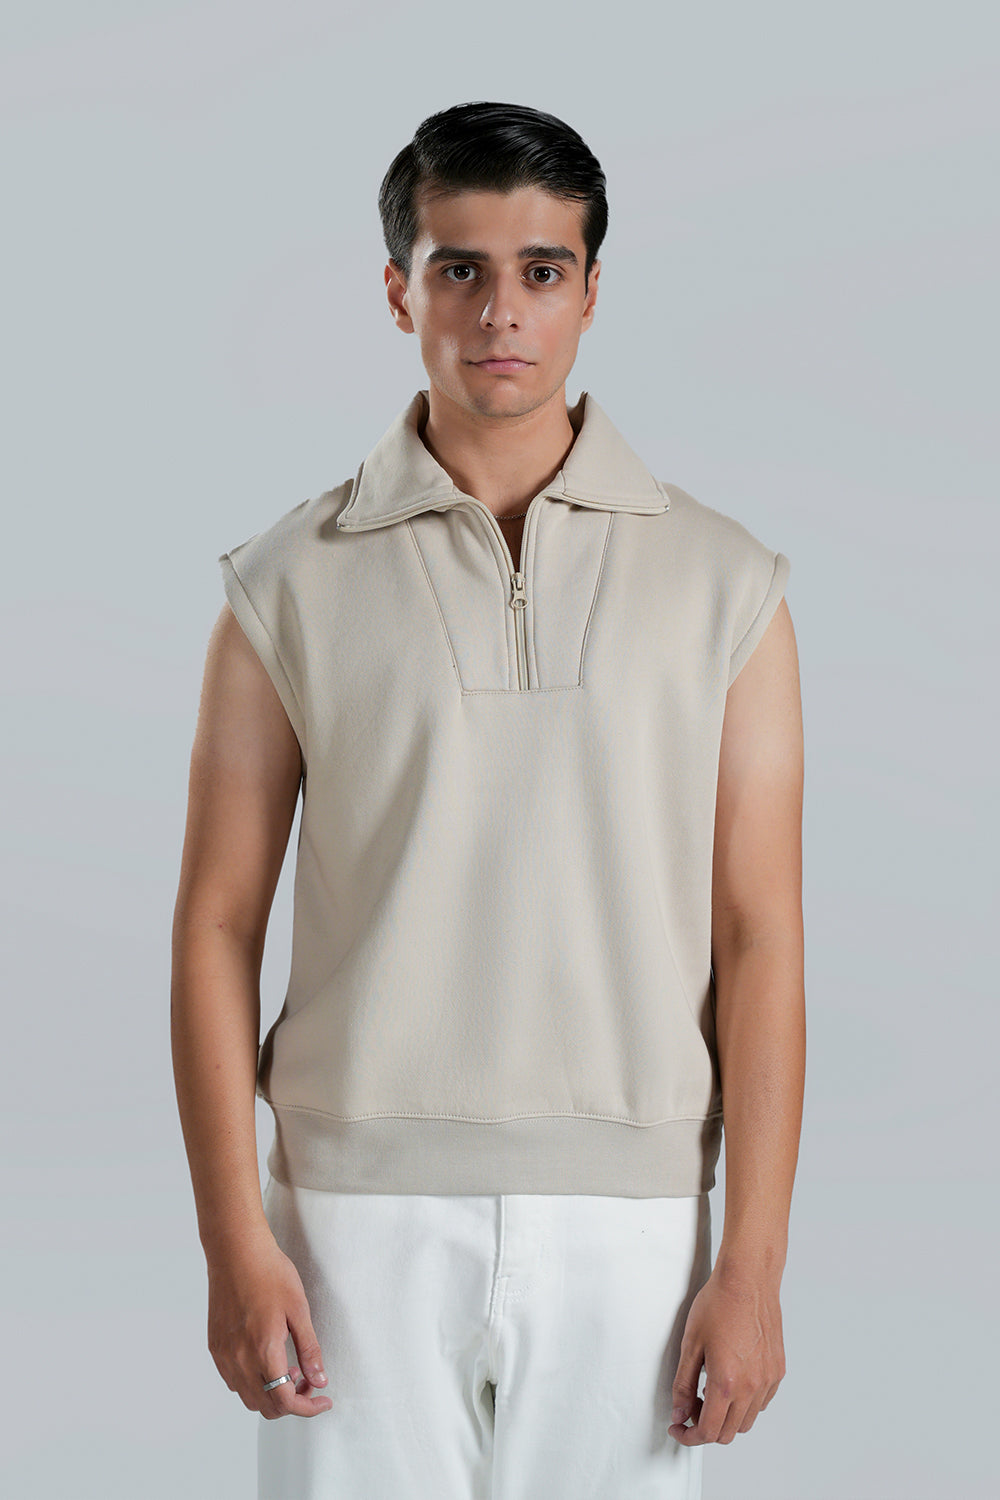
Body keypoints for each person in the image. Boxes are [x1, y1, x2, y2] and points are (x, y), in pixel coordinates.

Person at [171, 100, 805, 1500]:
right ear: (400, 290)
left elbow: (761, 937)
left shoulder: (728, 586)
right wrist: (233, 1240)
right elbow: (216, 924)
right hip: (351, 1219)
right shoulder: (284, 584)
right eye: (458, 267)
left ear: (592, 292)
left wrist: (752, 1264)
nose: (500, 311)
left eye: (541, 270)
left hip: (635, 1224)